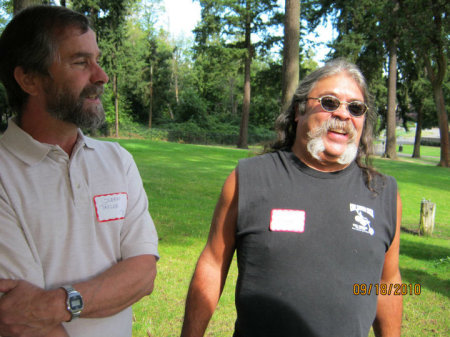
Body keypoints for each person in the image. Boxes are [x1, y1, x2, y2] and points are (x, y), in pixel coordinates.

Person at [181, 59, 402, 337]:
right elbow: (213, 264)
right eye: (330, 102)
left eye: (355, 108)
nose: (344, 115)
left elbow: (387, 283)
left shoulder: (383, 194)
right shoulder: (249, 179)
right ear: (299, 110)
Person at [0, 5, 159, 337]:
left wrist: (59, 303)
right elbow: (18, 320)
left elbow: (143, 273)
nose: (100, 76)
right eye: (80, 63)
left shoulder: (117, 160)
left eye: (97, 60)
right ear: (28, 78)